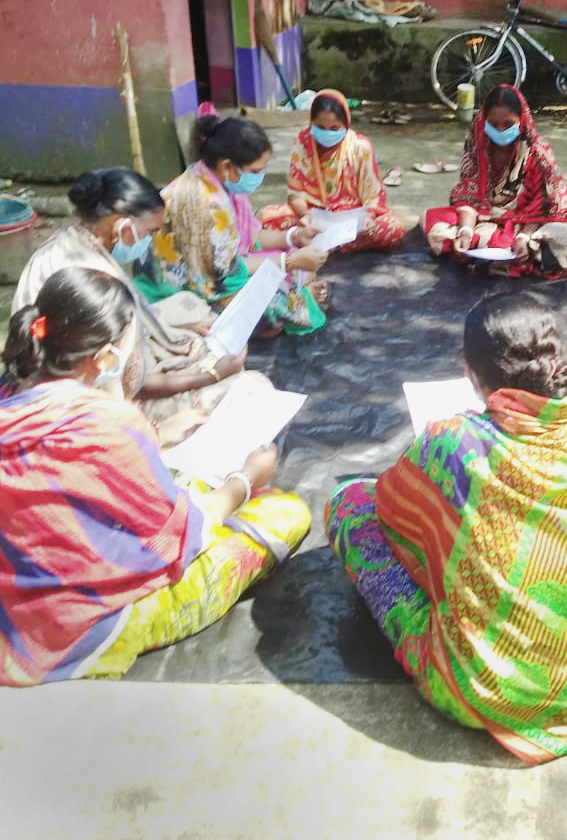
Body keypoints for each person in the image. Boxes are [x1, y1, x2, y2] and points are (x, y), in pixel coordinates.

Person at [325, 293, 567, 763]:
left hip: (485, 693)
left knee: (349, 506)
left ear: (471, 373)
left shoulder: (453, 443)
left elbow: (392, 516)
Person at [0, 267, 311, 685]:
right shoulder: (107, 423)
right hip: (75, 632)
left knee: (190, 483)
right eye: (132, 341)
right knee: (284, 513)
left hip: (11, 610)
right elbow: (183, 533)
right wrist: (246, 480)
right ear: (106, 356)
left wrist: (159, 434)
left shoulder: (10, 394)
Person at [12, 167, 251, 424]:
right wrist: (213, 375)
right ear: (123, 226)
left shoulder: (62, 244)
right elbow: (135, 385)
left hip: (50, 360)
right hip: (87, 405)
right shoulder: (103, 285)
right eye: (148, 232)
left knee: (189, 305)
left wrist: (180, 328)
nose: (149, 240)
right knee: (247, 388)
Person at [137, 115, 327, 336]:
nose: (261, 178)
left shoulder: (205, 178)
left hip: (198, 273)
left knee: (282, 273)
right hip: (179, 289)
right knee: (278, 302)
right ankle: (295, 302)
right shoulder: (208, 205)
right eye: (256, 171)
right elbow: (226, 274)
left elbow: (246, 239)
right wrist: (291, 262)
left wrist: (293, 237)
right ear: (227, 166)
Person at [421, 85, 567, 279]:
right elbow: (469, 196)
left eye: (507, 124)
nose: (499, 130)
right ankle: (492, 247)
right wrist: (465, 231)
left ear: (521, 120)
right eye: (493, 124)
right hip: (488, 216)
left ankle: (501, 250)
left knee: (561, 238)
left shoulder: (538, 152)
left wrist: (523, 238)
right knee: (433, 219)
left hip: (532, 221)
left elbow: (543, 208)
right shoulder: (478, 143)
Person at [259, 89, 404, 252]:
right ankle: (333, 241)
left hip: (352, 217)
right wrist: (304, 216)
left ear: (346, 123)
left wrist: (369, 218)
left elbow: (373, 196)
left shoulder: (360, 146)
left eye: (334, 128)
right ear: (311, 122)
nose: (327, 133)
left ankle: (323, 242)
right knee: (265, 217)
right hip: (314, 216)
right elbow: (296, 193)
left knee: (392, 228)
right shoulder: (303, 142)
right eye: (320, 127)